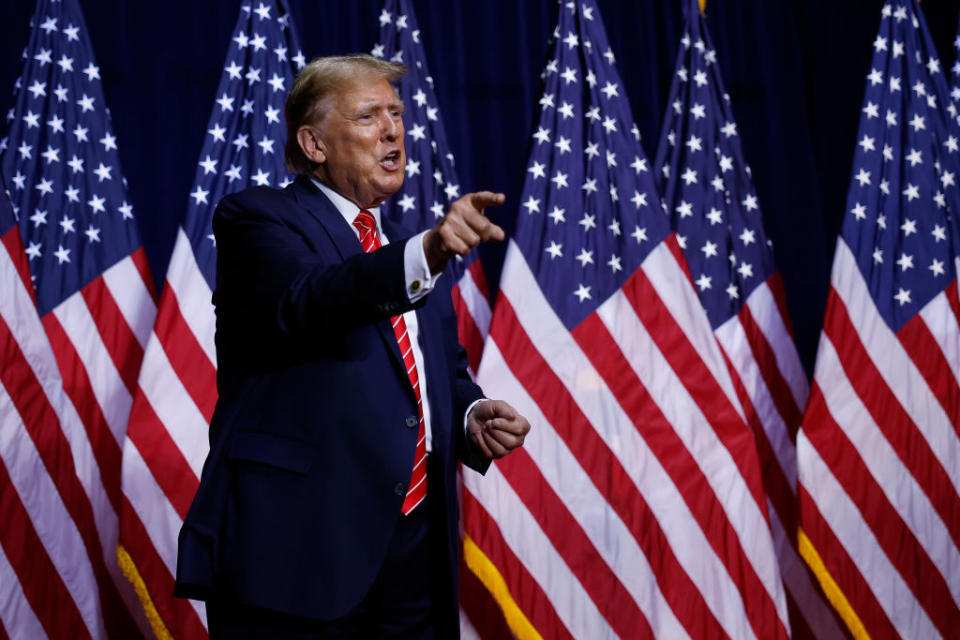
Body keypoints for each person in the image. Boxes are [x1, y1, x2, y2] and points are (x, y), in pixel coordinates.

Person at [174, 54, 530, 638]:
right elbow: (309, 300)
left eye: (396, 113)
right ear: (314, 144)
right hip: (299, 557)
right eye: (369, 116)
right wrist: (427, 254)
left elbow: (437, 369)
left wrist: (469, 414)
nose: (394, 129)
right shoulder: (259, 219)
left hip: (415, 554)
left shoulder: (403, 246)